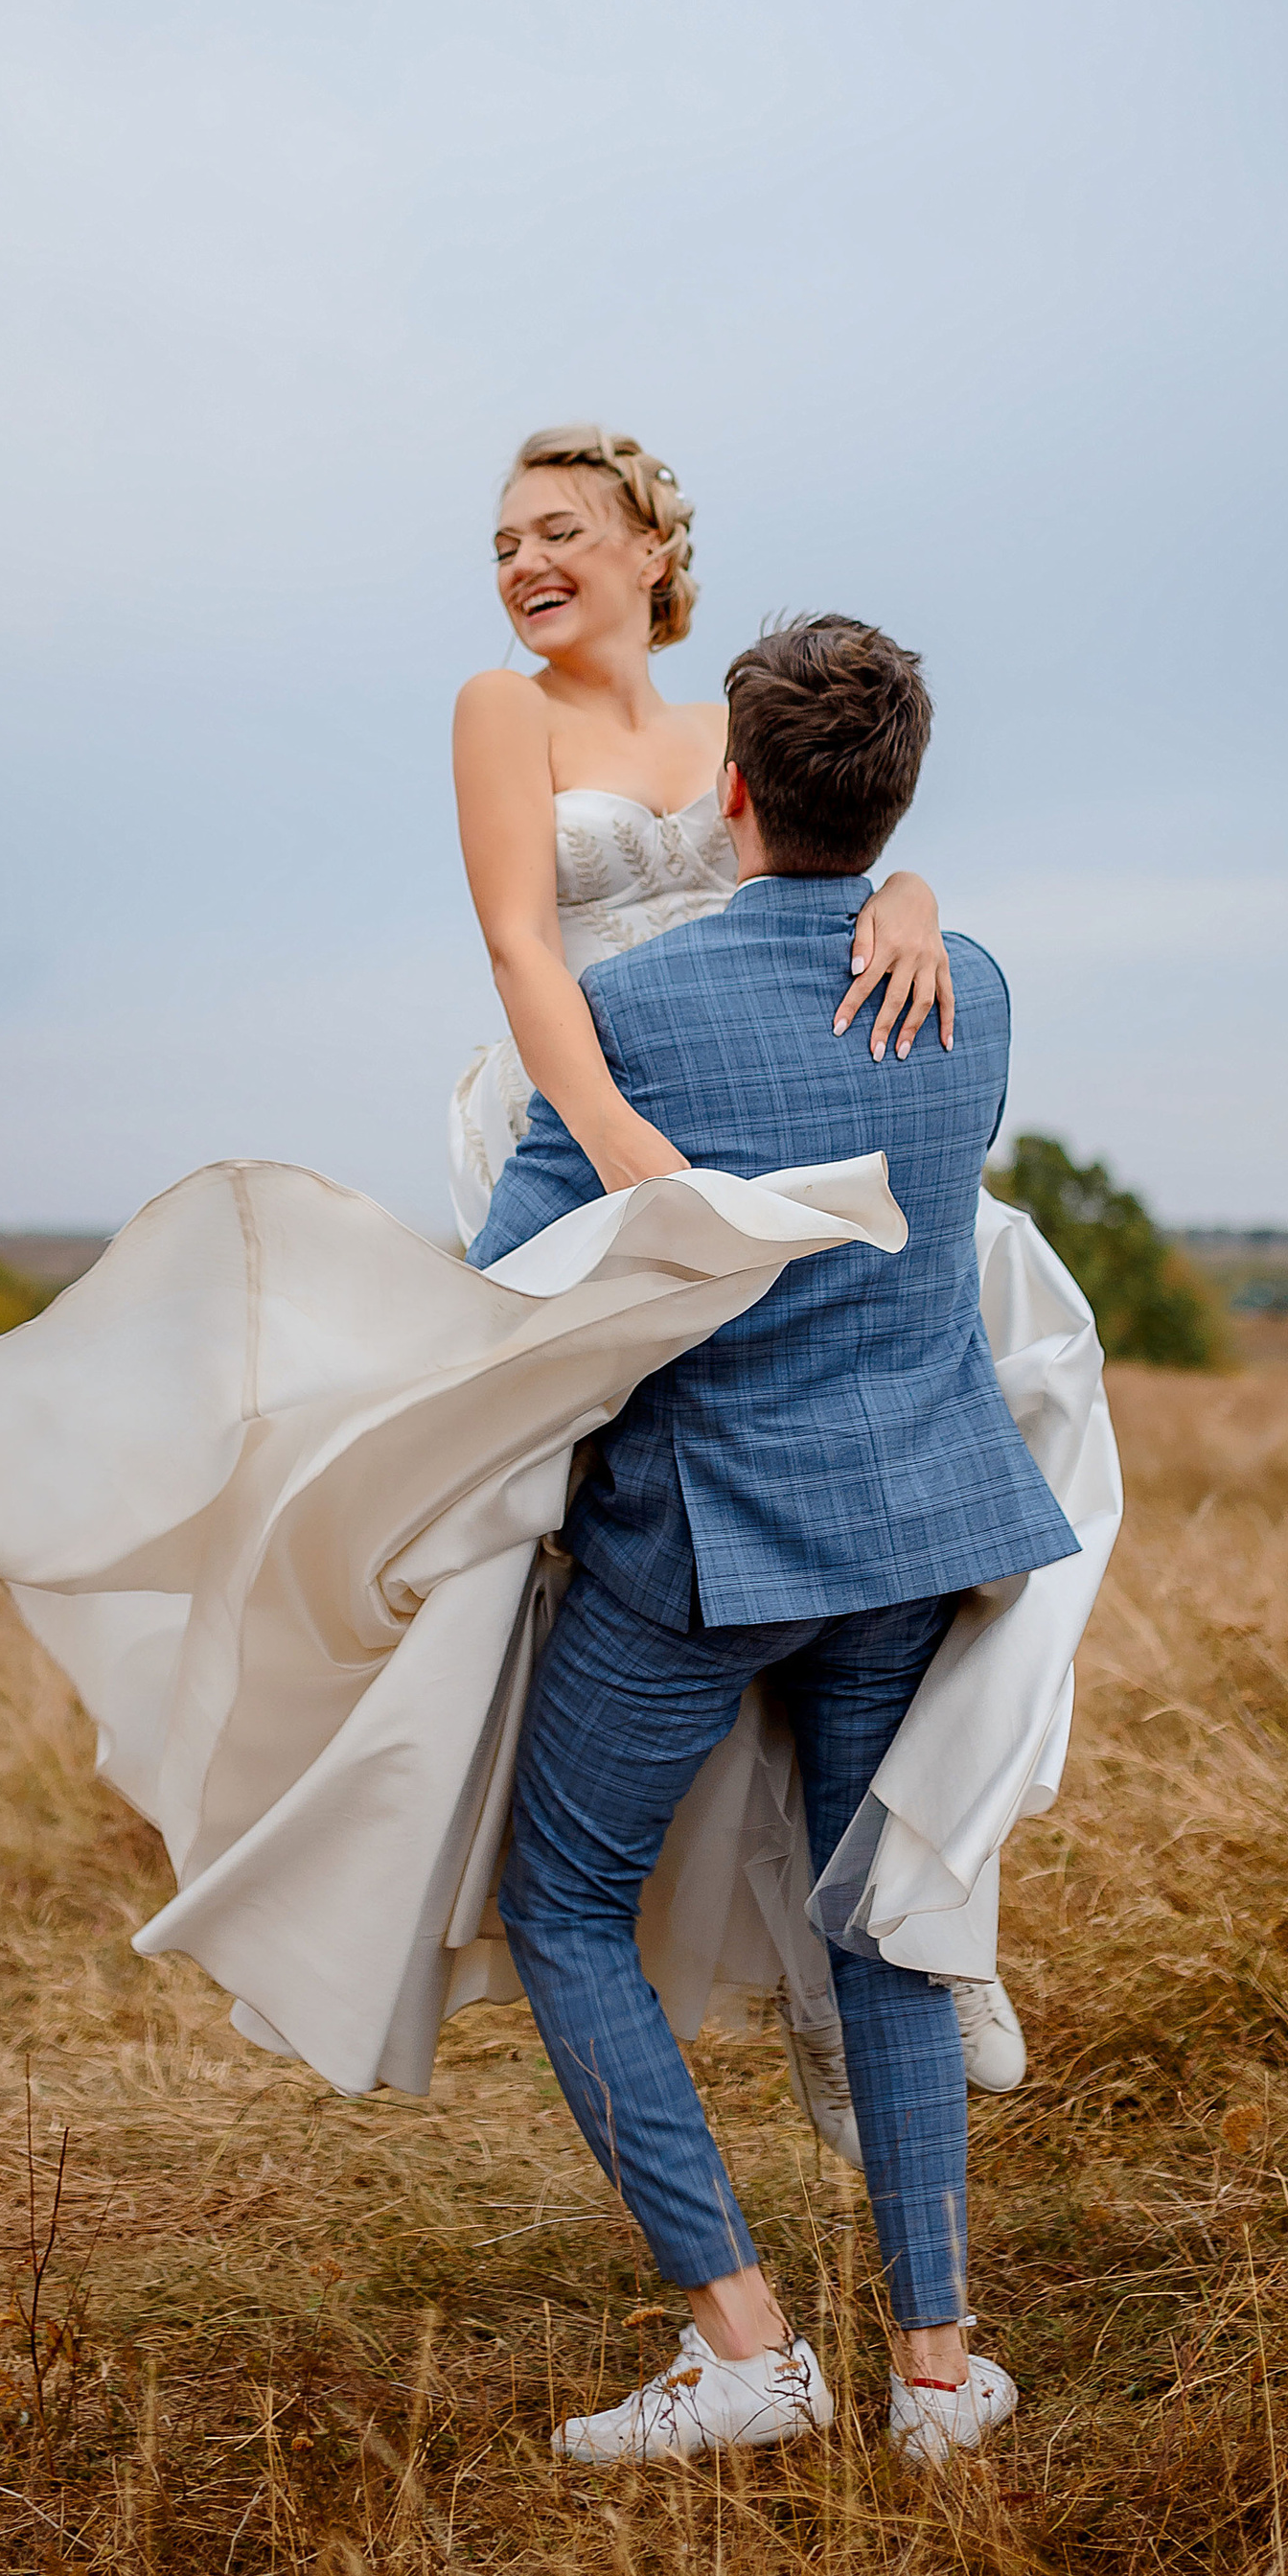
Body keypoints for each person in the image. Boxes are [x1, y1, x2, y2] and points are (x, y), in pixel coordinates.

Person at [469, 614, 1079, 2467]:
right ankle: (933, 2373)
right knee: (885, 1920)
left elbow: (517, 1279)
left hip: (703, 1545)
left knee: (560, 1897)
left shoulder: (629, 1017)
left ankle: (743, 2344)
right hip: (909, 1526)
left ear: (729, 790)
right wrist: (910, 894)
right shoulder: (964, 980)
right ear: (890, 800)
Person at [448, 428, 1028, 2111]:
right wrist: (625, 1154)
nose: (523, 562)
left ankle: (917, 1919)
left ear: (651, 548)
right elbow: (515, 937)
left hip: (765, 1110)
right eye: (502, 542)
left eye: (558, 529)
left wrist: (913, 895)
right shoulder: (503, 712)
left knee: (956, 1401)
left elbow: (831, 845)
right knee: (648, 1543)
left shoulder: (725, 732)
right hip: (588, 1115)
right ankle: (672, 1909)